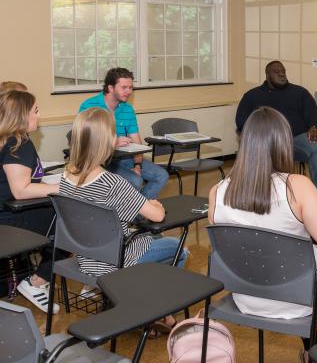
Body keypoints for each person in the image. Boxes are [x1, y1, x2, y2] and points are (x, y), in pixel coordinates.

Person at [209, 106, 317, 322]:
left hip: (246, 297)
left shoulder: (217, 192)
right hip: (298, 301)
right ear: (283, 144)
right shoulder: (297, 186)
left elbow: (232, 248)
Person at [60, 108, 188, 333]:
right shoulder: (112, 182)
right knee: (179, 249)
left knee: (152, 238)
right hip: (118, 257)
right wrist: (155, 204)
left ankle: (155, 308)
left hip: (87, 257)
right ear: (108, 140)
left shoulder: (66, 176)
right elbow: (156, 215)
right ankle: (152, 309)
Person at [0, 90, 60, 314]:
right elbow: (21, 190)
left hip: (6, 214)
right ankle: (37, 280)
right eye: (35, 110)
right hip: (9, 221)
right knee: (73, 224)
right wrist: (61, 186)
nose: (39, 115)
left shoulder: (5, 140)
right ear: (21, 115)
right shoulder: (19, 143)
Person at [236, 61, 317, 203]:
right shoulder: (252, 96)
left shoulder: (300, 93)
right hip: (266, 143)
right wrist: (257, 137)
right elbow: (241, 121)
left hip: (296, 141)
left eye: (283, 71)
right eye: (276, 71)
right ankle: (259, 199)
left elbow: (313, 116)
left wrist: (314, 127)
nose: (281, 73)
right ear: (267, 75)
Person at [79, 68, 168, 199]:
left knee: (162, 176)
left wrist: (137, 164)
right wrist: (112, 143)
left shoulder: (127, 109)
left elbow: (137, 142)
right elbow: (85, 143)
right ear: (110, 88)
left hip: (125, 158)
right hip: (100, 162)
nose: (129, 92)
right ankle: (137, 211)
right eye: (124, 87)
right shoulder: (89, 106)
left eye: (131, 87)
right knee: (135, 181)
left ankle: (138, 213)